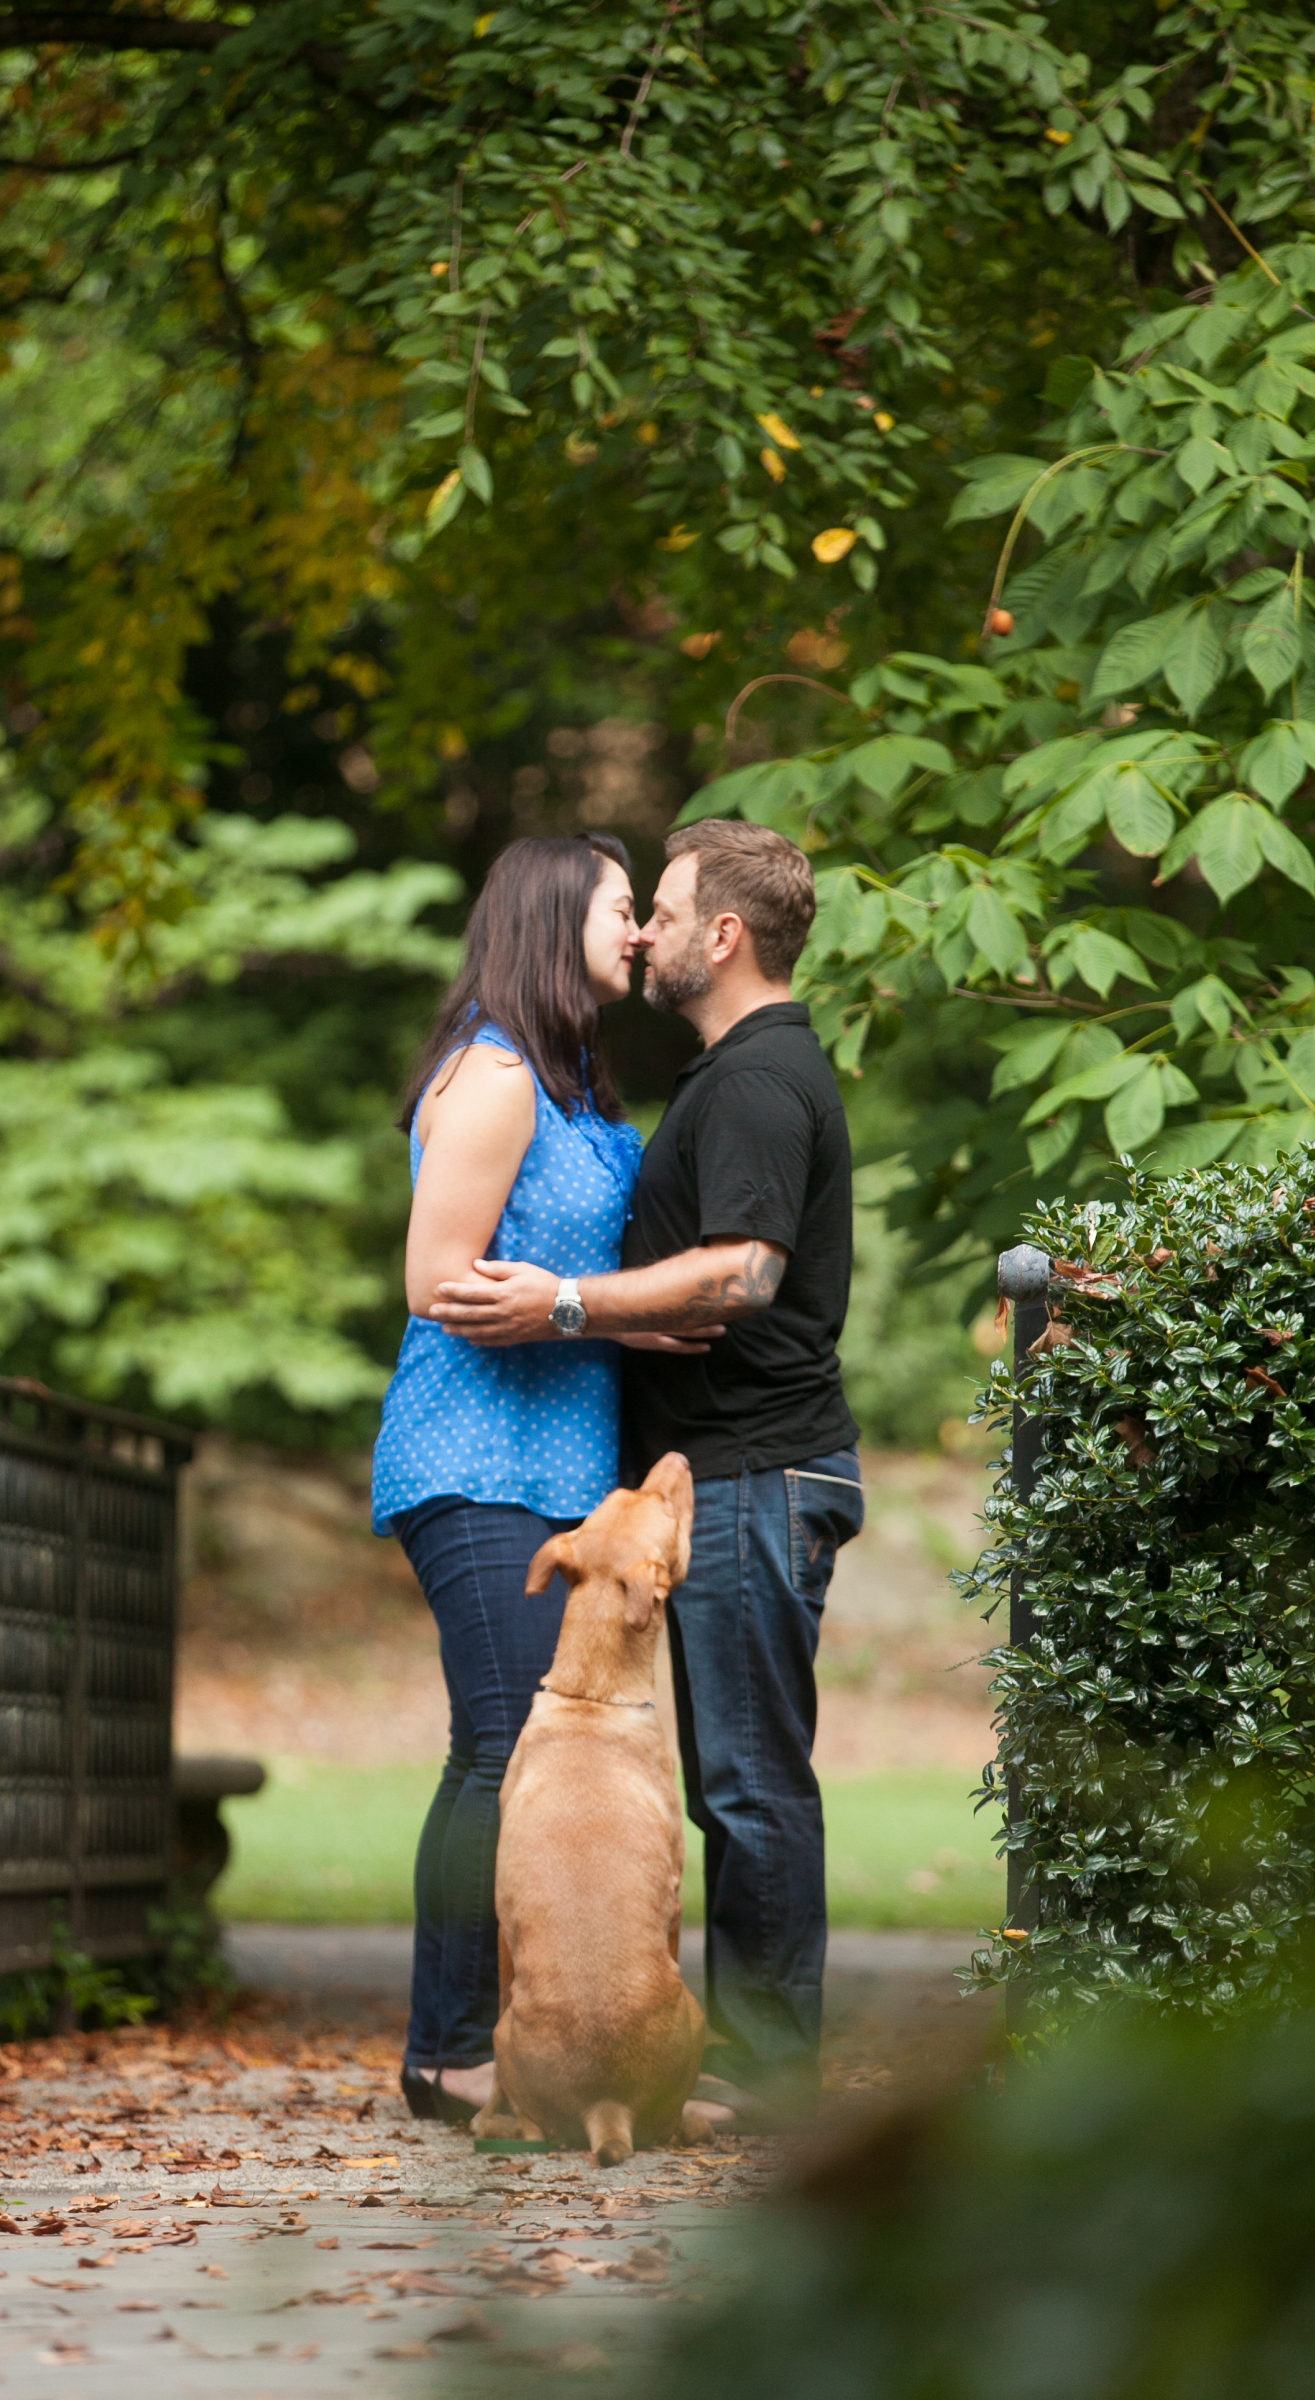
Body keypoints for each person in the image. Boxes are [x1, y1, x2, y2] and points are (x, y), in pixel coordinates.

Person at [430, 818, 860, 2127]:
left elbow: (746, 1273)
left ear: (722, 936)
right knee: (738, 1777)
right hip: (730, 1474)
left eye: (661, 911)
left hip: (757, 1471)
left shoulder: (758, 1079)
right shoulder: (731, 1075)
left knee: (748, 1784)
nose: (643, 932)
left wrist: (567, 1302)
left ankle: (766, 2068)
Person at [372, 833, 717, 2127]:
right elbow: (436, 1278)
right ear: (552, 917)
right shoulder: (497, 1073)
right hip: (473, 1457)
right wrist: (595, 1312)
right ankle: (450, 2050)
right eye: (621, 908)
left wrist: (622, 1319)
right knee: (497, 1750)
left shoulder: (568, 1080)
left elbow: (567, 1285)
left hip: (558, 1466)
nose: (637, 931)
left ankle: (505, 2042)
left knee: (502, 1749)